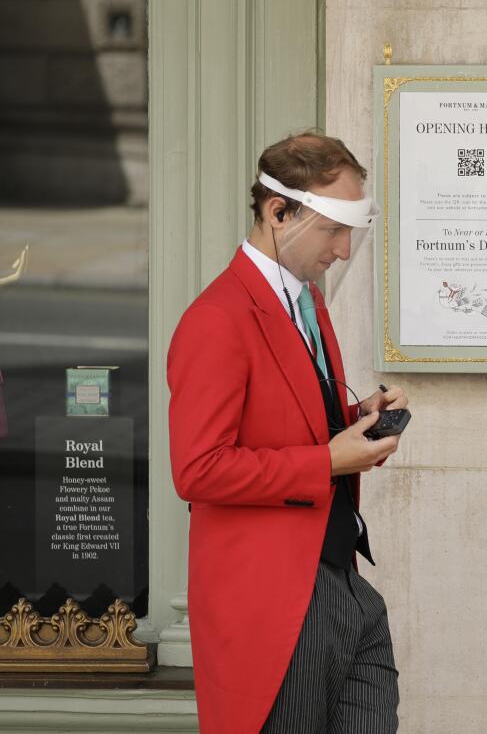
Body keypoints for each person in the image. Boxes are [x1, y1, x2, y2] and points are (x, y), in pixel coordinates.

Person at [168, 133, 405, 732]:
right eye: (333, 228)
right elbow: (197, 469)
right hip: (273, 608)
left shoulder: (308, 305)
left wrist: (359, 424)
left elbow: (296, 426)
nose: (345, 249)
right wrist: (328, 460)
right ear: (279, 213)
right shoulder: (216, 319)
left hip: (341, 586)